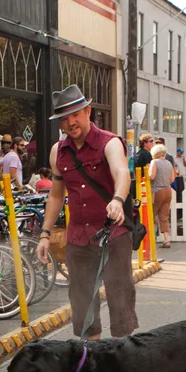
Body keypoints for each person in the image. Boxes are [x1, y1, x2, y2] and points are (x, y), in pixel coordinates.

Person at [36, 84, 137, 338]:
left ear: (88, 111)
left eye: (75, 114)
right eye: (64, 118)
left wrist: (117, 199)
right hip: (78, 238)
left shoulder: (110, 142)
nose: (71, 122)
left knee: (120, 299)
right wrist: (45, 234)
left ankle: (123, 362)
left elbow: (121, 172)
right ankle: (91, 361)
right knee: (82, 305)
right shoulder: (57, 152)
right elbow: (56, 195)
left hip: (112, 234)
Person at [149, 143, 175, 249]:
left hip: (157, 190)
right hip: (168, 190)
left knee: (151, 214)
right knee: (164, 216)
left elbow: (151, 176)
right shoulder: (169, 163)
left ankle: (150, 238)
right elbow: (172, 179)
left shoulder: (154, 162)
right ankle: (166, 240)